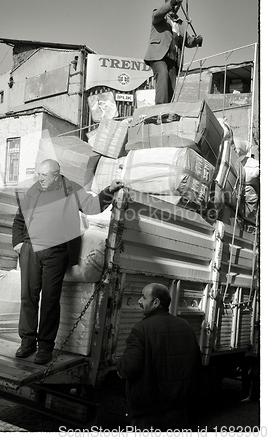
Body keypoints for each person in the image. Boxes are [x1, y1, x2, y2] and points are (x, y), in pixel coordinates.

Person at [12, 158, 123, 365]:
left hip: (56, 251)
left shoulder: (70, 188)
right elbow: (19, 218)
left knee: (50, 300)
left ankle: (45, 347)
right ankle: (27, 343)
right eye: (38, 175)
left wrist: (109, 190)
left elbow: (91, 206)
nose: (40, 179)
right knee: (28, 297)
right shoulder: (34, 190)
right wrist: (18, 243)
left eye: (44, 175)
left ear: (56, 175)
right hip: (31, 249)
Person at [117, 283, 202, 431]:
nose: (139, 301)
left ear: (156, 302)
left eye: (143, 297)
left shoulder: (141, 329)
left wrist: (120, 367)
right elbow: (195, 365)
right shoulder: (186, 327)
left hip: (147, 412)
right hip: (178, 410)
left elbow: (129, 368)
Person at [144, 0, 203, 105]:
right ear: (167, 2)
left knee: (171, 85)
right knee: (162, 74)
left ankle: (167, 110)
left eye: (177, 5)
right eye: (173, 3)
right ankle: (159, 110)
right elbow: (158, 13)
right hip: (158, 56)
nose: (175, 6)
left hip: (173, 60)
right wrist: (175, 0)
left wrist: (196, 41)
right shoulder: (159, 16)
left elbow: (188, 41)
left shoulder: (180, 24)